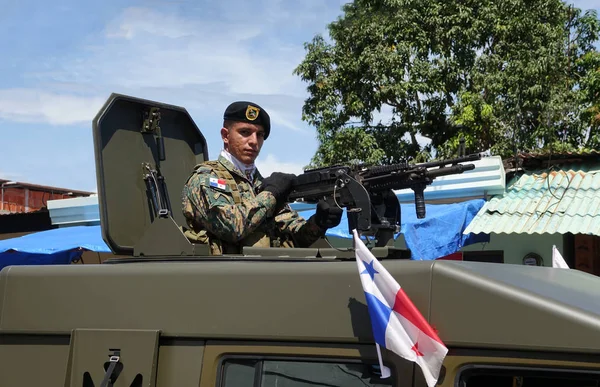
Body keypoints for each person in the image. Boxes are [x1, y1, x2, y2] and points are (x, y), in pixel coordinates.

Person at [181, 101, 343, 255]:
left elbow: (294, 237)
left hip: (265, 276)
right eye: (245, 132)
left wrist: (319, 223)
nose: (253, 141)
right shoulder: (206, 178)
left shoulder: (261, 184)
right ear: (225, 135)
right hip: (222, 278)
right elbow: (231, 227)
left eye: (260, 135)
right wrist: (271, 195)